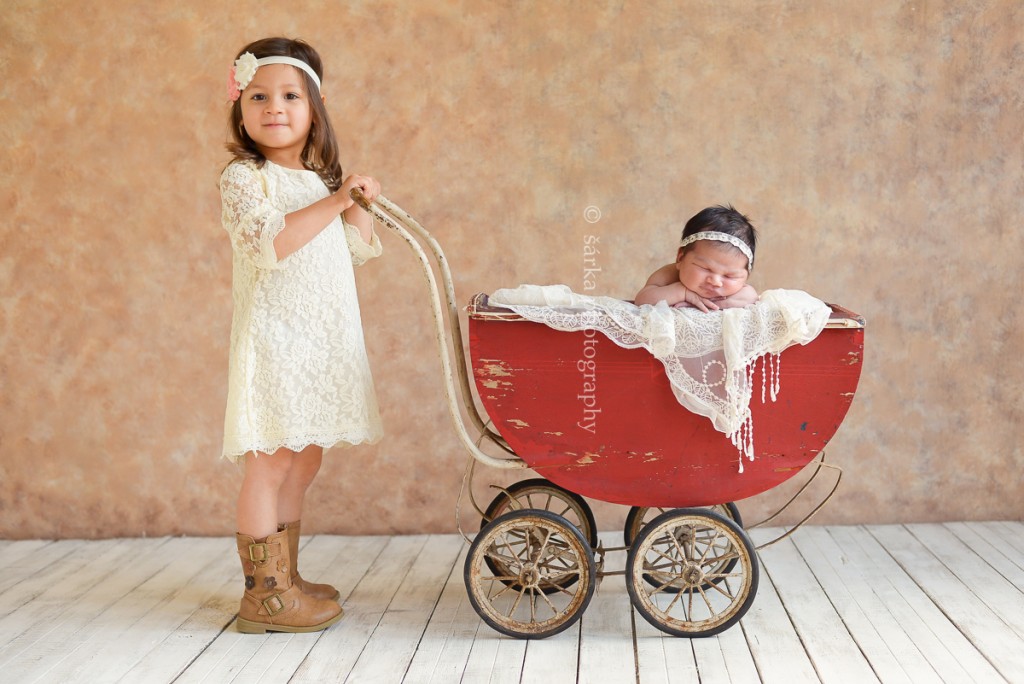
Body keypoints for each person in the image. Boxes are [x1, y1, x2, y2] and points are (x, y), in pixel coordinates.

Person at [219, 37, 383, 634]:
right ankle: (261, 596)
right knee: (271, 460)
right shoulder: (245, 178)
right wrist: (337, 200)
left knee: (304, 460)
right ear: (240, 107)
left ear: (313, 108)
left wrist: (358, 203)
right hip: (276, 339)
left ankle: (283, 576)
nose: (274, 107)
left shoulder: (318, 180)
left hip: (320, 340)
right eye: (259, 96)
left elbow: (356, 251)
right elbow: (271, 243)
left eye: (290, 96)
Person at [634, 205, 759, 312]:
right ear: (680, 258)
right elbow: (642, 300)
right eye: (705, 268)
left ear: (745, 276)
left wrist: (712, 304)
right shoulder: (669, 275)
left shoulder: (736, 290)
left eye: (729, 276)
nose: (715, 281)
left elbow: (751, 297)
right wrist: (683, 293)